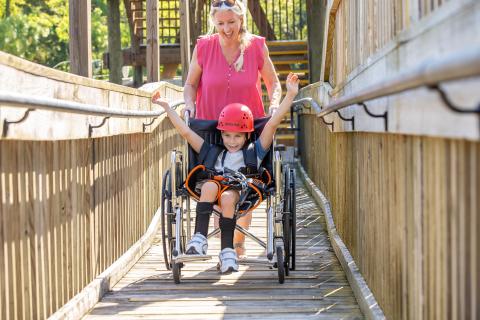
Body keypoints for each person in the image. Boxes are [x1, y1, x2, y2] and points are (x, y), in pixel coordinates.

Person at [152, 73, 299, 274]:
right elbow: (186, 132)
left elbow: (272, 124)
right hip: (213, 189)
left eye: (237, 136)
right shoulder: (213, 151)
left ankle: (228, 251)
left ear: (247, 135)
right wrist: (167, 107)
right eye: (227, 135)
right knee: (210, 185)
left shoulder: (254, 151)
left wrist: (290, 95)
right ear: (220, 133)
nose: (231, 140)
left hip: (242, 190)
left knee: (228, 197)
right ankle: (199, 239)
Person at [183, 0, 282, 258]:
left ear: (241, 20)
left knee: (244, 181)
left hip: (247, 129)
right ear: (214, 22)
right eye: (221, 23)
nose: (227, 28)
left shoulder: (256, 46)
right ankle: (225, 244)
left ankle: (237, 243)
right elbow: (190, 84)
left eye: (232, 22)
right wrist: (189, 105)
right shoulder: (204, 46)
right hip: (212, 127)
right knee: (216, 181)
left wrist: (275, 104)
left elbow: (273, 84)